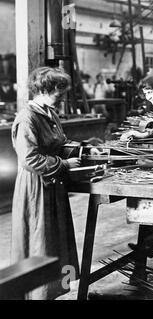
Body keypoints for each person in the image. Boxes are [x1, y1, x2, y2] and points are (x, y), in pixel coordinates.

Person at [10, 67, 81, 300]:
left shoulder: (50, 113)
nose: (63, 95)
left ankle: (52, 292)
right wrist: (64, 164)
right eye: (60, 90)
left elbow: (58, 142)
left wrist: (85, 148)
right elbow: (29, 158)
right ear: (45, 88)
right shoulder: (27, 117)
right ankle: (37, 295)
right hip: (36, 186)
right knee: (40, 241)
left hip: (52, 184)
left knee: (55, 241)